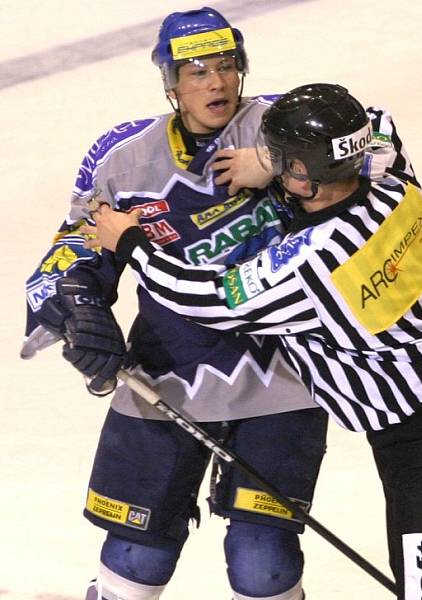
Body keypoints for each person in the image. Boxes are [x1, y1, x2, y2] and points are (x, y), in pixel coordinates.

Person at [20, 9, 402, 600]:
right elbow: (71, 250)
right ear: (170, 83)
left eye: (227, 67)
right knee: (136, 555)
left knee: (263, 562)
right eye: (196, 71)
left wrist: (274, 162)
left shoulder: (285, 125)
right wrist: (77, 307)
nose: (216, 84)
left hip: (284, 367)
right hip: (166, 369)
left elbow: (378, 144)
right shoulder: (122, 157)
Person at [83, 82, 422, 600]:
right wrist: (275, 161)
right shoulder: (392, 182)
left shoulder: (317, 261)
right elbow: (378, 122)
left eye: (282, 158)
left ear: (305, 174)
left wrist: (130, 241)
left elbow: (205, 298)